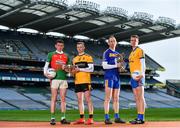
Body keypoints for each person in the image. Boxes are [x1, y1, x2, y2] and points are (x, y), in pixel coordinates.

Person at [43, 40, 70, 125]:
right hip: (54, 79)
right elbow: (46, 66)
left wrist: (66, 70)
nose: (60, 47)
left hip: (63, 79)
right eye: (58, 45)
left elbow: (69, 69)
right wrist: (46, 74)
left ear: (63, 46)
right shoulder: (51, 54)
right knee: (53, 99)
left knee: (63, 99)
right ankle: (52, 118)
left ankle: (63, 118)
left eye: (61, 45)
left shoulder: (66, 55)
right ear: (56, 46)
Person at [102, 36, 125, 124]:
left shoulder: (118, 54)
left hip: (117, 77)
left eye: (113, 41)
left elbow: (120, 66)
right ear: (108, 43)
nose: (112, 42)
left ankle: (117, 117)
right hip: (109, 77)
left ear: (116, 42)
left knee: (116, 98)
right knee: (108, 98)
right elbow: (104, 66)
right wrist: (116, 66)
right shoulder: (106, 52)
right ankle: (107, 118)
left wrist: (121, 67)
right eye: (110, 41)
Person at [72, 42, 94, 125]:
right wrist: (72, 71)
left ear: (84, 47)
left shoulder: (88, 57)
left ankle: (91, 118)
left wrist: (80, 70)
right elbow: (74, 71)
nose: (79, 48)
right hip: (77, 81)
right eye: (78, 47)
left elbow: (91, 69)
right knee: (79, 100)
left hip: (86, 81)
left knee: (88, 100)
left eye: (81, 47)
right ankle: (82, 118)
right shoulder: (74, 59)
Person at [128, 35, 146, 124]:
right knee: (136, 98)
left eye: (135, 40)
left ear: (138, 41)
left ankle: (141, 118)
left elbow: (143, 63)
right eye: (132, 40)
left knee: (140, 97)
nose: (133, 41)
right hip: (133, 77)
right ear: (130, 42)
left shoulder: (140, 50)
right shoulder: (131, 53)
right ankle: (138, 116)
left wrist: (142, 74)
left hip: (139, 76)